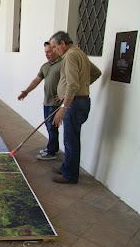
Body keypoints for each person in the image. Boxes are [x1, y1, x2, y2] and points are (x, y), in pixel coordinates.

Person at [49, 31, 101, 184]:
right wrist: (78, 90)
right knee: (71, 138)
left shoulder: (70, 55)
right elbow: (96, 73)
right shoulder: (80, 53)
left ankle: (70, 175)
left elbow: (73, 84)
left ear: (63, 44)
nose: (53, 51)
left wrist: (63, 107)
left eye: (54, 47)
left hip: (74, 104)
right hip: (79, 101)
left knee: (70, 140)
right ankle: (67, 167)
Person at [18, 41, 62, 160]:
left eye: (49, 51)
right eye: (45, 52)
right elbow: (36, 80)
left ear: (55, 50)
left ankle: (51, 152)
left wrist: (64, 95)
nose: (47, 54)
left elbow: (71, 81)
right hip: (47, 102)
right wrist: (26, 91)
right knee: (50, 127)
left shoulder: (63, 64)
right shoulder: (45, 66)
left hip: (56, 103)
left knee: (52, 127)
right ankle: (54, 148)